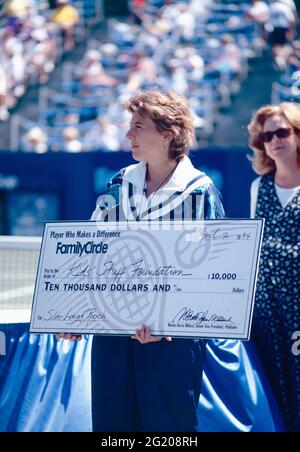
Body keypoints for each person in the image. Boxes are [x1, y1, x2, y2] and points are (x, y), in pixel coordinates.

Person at [58, 90, 282, 432]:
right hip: (113, 334)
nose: (128, 134)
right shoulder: (120, 182)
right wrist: (74, 313)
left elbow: (211, 272)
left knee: (167, 431)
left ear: (168, 133)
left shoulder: (199, 191)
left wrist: (168, 325)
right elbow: (94, 249)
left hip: (171, 343)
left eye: (138, 126)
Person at [248, 102, 300, 432]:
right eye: (267, 137)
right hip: (266, 312)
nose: (274, 141)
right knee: (274, 389)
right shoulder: (259, 187)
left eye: (282, 132)